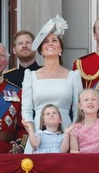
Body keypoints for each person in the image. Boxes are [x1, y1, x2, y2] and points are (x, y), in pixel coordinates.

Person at [22, 14, 83, 154]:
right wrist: (34, 133)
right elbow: (26, 110)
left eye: (54, 40)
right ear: (41, 51)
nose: (50, 43)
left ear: (60, 49)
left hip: (65, 133)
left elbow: (77, 111)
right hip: (38, 133)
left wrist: (70, 134)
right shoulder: (30, 76)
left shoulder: (73, 76)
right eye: (45, 41)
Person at [70, 88, 99, 153]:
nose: (90, 102)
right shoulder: (75, 128)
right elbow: (73, 150)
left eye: (93, 99)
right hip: (82, 161)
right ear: (80, 106)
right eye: (86, 100)